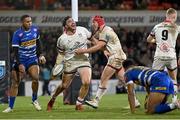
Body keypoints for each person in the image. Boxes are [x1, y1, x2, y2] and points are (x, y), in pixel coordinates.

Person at [75, 15, 140, 109]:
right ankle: (135, 101)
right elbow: (99, 43)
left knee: (103, 78)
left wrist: (83, 51)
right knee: (124, 79)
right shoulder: (106, 29)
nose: (92, 25)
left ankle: (96, 101)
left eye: (93, 23)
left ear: (97, 23)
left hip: (115, 57)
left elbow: (98, 46)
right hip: (118, 56)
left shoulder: (105, 32)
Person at [47, 16, 92, 111]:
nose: (73, 22)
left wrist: (100, 46)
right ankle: (53, 99)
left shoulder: (82, 30)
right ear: (65, 26)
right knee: (64, 86)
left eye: (73, 21)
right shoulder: (62, 39)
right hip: (70, 63)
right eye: (69, 21)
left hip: (83, 60)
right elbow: (61, 54)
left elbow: (92, 38)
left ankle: (79, 104)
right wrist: (57, 65)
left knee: (86, 82)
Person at [3, 15, 46, 113]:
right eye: (27, 22)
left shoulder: (35, 30)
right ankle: (10, 107)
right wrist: (19, 64)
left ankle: (34, 100)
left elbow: (39, 43)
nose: (30, 23)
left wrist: (41, 55)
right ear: (22, 22)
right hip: (20, 60)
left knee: (35, 78)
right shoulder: (17, 34)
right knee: (15, 83)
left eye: (30, 21)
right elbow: (15, 51)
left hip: (32, 59)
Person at [147, 8, 180, 103]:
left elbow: (148, 39)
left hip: (159, 56)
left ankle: (151, 100)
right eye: (175, 18)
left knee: (153, 78)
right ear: (173, 17)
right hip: (171, 56)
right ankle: (174, 100)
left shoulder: (157, 27)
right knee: (173, 79)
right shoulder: (176, 27)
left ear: (166, 16)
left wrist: (156, 41)